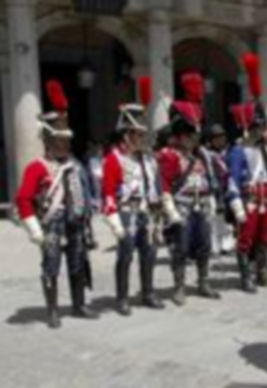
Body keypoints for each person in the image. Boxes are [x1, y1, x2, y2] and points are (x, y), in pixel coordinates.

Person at [16, 79, 98, 328]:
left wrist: (87, 221)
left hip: (76, 222)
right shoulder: (36, 167)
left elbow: (85, 192)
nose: (66, 144)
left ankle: (78, 305)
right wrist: (35, 229)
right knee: (51, 267)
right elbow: (23, 199)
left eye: (67, 140)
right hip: (52, 223)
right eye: (61, 140)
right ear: (49, 141)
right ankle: (52, 310)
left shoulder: (75, 165)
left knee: (78, 264)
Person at [159, 72, 225, 305]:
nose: (194, 139)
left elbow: (211, 177)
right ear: (180, 135)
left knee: (204, 245)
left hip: (202, 203)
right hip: (183, 205)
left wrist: (213, 199)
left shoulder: (203, 156)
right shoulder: (170, 156)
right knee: (181, 247)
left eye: (195, 135)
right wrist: (170, 209)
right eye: (189, 135)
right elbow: (165, 184)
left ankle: (203, 282)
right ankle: (179, 286)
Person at [102, 76, 165, 315]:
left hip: (147, 211)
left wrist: (161, 209)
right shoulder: (113, 159)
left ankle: (148, 292)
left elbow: (156, 185)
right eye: (137, 134)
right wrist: (114, 220)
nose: (142, 138)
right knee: (126, 254)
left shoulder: (148, 158)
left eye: (142, 134)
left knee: (149, 253)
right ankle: (122, 298)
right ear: (126, 135)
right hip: (126, 211)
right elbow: (107, 193)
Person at [226, 53, 267, 292]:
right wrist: (236, 204)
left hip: (266, 199)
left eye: (264, 127)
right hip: (249, 199)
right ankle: (246, 276)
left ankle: (262, 271)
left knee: (265, 237)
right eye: (260, 127)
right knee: (246, 238)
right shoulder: (239, 150)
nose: (264, 130)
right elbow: (231, 178)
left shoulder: (265, 150)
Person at [205, 124, 235, 257]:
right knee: (214, 218)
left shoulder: (229, 152)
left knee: (228, 218)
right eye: (216, 138)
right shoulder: (207, 154)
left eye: (222, 137)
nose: (220, 140)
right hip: (213, 188)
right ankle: (214, 246)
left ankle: (227, 245)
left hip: (227, 187)